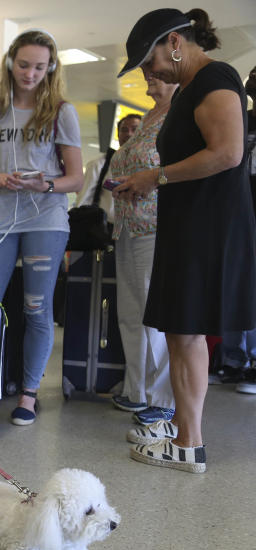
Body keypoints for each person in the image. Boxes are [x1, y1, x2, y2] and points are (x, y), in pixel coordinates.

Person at [114, 8, 256, 473]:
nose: (147, 71)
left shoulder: (216, 75)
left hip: (207, 223)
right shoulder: (192, 89)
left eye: (148, 59)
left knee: (187, 329)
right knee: (180, 329)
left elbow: (228, 152)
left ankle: (189, 444)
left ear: (174, 42)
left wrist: (155, 176)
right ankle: (181, 427)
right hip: (188, 221)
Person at [0, 29, 83, 426]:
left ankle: (29, 396)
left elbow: (76, 179)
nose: (30, 73)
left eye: (39, 66)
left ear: (50, 67)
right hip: (0, 220)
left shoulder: (61, 112)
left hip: (46, 220)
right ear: (10, 64)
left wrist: (43, 183)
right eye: (23, 64)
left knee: (36, 309)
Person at [106, 73, 178, 426]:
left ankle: (164, 397)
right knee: (130, 315)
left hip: (156, 227)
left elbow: (174, 171)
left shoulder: (177, 116)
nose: (149, 82)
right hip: (126, 227)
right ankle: (137, 391)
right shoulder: (148, 117)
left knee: (158, 317)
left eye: (156, 76)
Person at [215, 63, 256, 395]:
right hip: (239, 213)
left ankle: (253, 362)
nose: (251, 80)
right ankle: (232, 361)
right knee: (234, 285)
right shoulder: (244, 121)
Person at [77, 114, 142, 226]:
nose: (129, 134)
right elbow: (83, 201)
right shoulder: (99, 165)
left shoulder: (153, 167)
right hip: (106, 229)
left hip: (140, 230)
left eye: (134, 129)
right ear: (118, 135)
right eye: (124, 130)